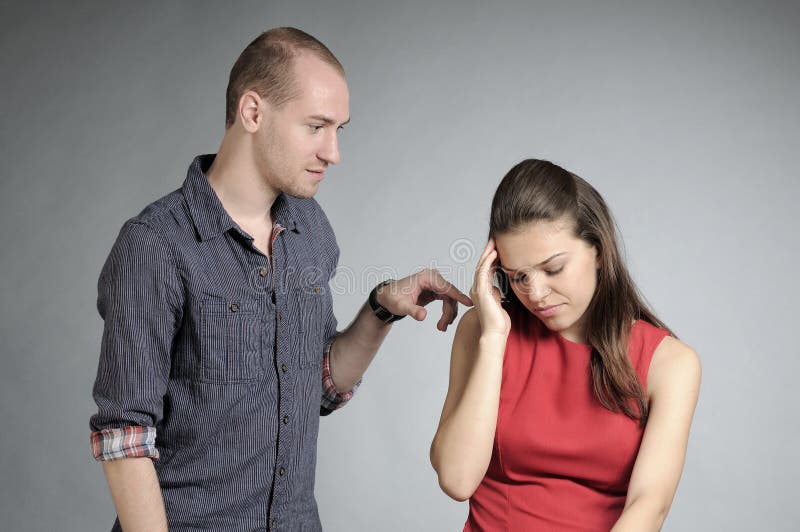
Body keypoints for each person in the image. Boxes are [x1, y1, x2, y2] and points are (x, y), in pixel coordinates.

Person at [89, 27, 471, 532]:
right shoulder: (155, 245)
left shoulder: (311, 229)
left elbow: (315, 389)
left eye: (339, 129)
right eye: (316, 126)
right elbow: (125, 438)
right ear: (253, 112)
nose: (333, 152)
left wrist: (382, 309)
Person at [430, 159, 701, 531]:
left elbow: (648, 505)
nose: (536, 293)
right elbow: (457, 480)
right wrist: (493, 339)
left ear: (599, 250)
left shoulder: (669, 363)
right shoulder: (485, 331)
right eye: (518, 276)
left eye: (553, 268)